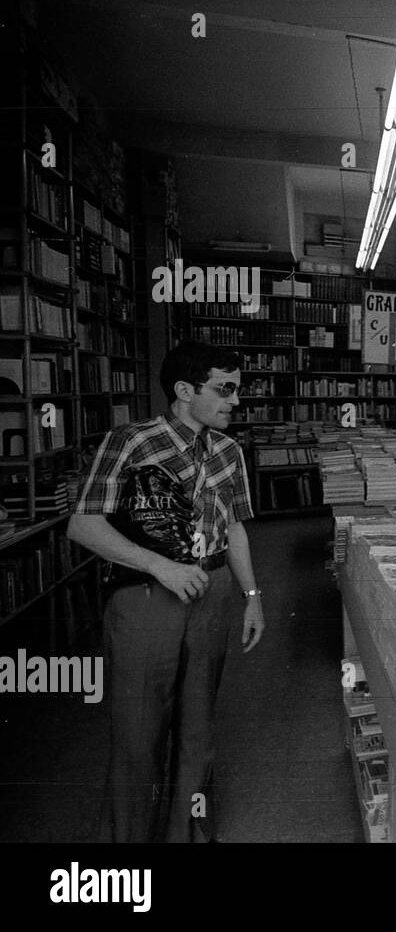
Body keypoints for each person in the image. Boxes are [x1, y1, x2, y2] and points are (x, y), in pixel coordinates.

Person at [69, 340, 264, 843]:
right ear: (184, 390)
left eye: (236, 390)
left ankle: (190, 836)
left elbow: (236, 528)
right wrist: (162, 566)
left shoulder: (228, 451)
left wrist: (252, 596)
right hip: (146, 598)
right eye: (225, 389)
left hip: (213, 590)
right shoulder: (131, 443)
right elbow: (84, 526)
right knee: (139, 732)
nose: (234, 401)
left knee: (198, 727)